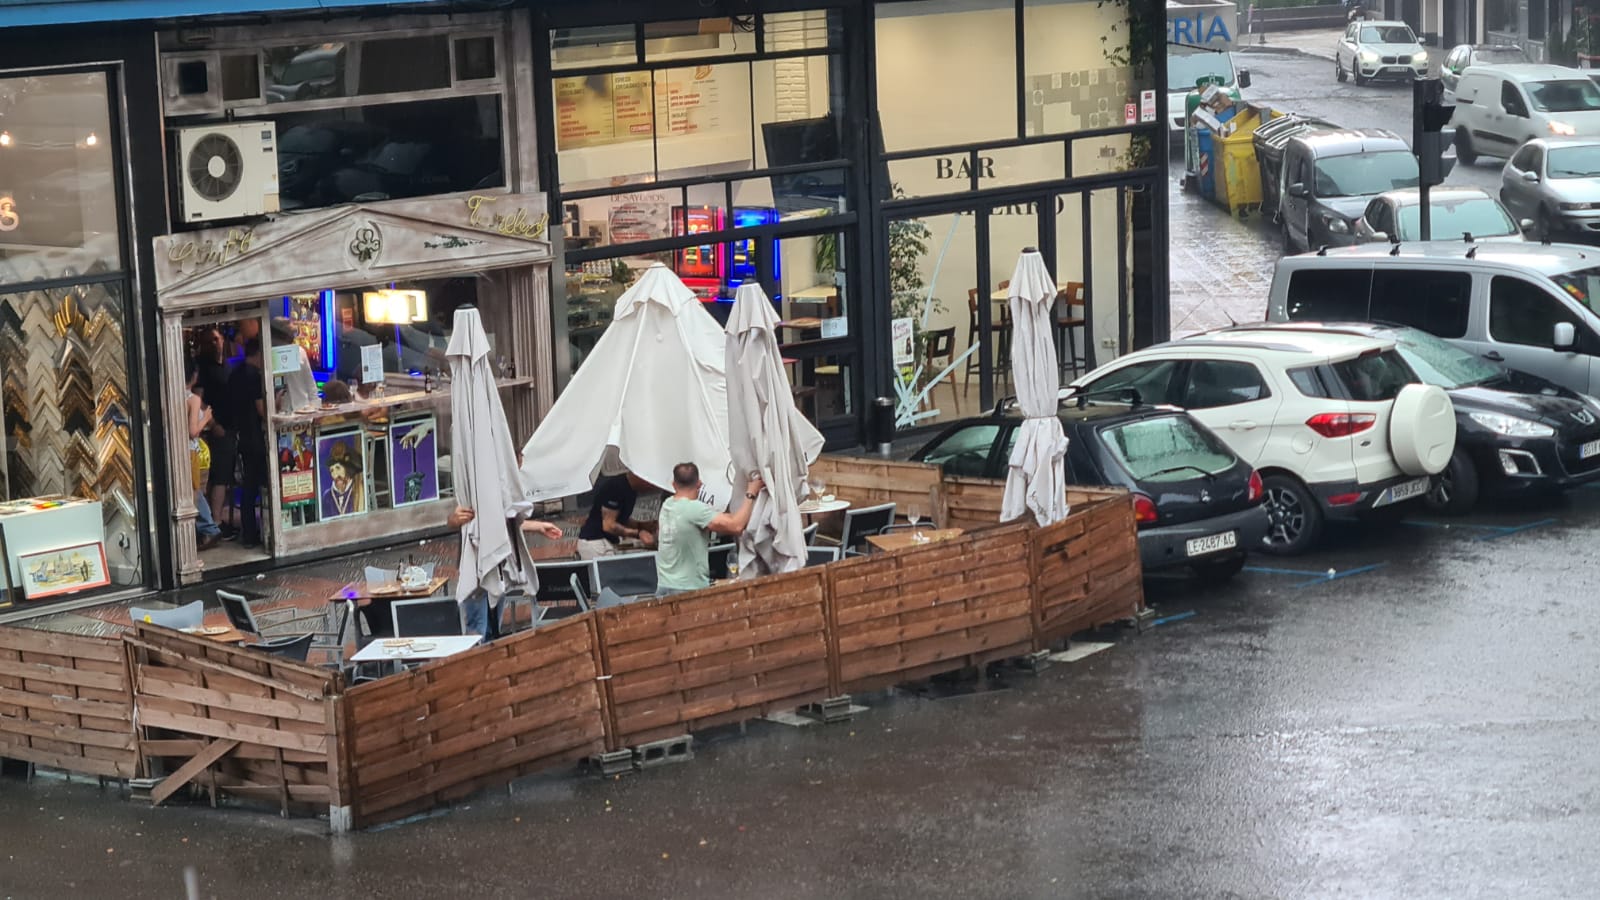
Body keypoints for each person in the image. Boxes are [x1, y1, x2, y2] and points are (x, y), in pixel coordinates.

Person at [446, 506, 563, 638]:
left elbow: (504, 520)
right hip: (475, 570)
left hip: (497, 567)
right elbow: (452, 520)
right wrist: (454, 519)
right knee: (478, 631)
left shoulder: (497, 492)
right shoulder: (469, 493)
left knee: (492, 631)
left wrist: (537, 526)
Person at [655, 463, 764, 596]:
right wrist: (751, 493)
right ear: (699, 484)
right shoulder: (695, 509)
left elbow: (727, 519)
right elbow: (736, 526)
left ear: (673, 484)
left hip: (664, 587)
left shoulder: (668, 505)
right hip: (687, 590)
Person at [194, 327, 237, 538]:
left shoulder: (227, 365)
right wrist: (213, 424)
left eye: (217, 339)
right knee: (217, 477)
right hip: (214, 430)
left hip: (229, 427)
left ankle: (214, 520)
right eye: (210, 341)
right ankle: (216, 522)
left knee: (222, 476)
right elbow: (197, 401)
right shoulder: (204, 368)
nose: (215, 343)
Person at [227, 337, 268, 548]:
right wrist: (277, 400)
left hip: (241, 435)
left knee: (248, 488)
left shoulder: (236, 373)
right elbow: (262, 409)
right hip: (255, 438)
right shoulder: (254, 377)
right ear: (259, 354)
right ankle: (256, 534)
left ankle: (250, 532)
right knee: (257, 485)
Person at [576, 471, 659, 560]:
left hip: (608, 542)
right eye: (652, 484)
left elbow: (620, 519)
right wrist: (638, 534)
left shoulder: (632, 490)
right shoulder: (616, 488)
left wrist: (642, 525)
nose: (653, 488)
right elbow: (609, 525)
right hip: (595, 542)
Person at [184, 363, 221, 551]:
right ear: (194, 376)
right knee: (195, 491)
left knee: (191, 491)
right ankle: (209, 527)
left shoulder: (169, 396)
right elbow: (193, 431)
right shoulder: (193, 399)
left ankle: (203, 528)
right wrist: (206, 417)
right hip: (192, 451)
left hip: (179, 451)